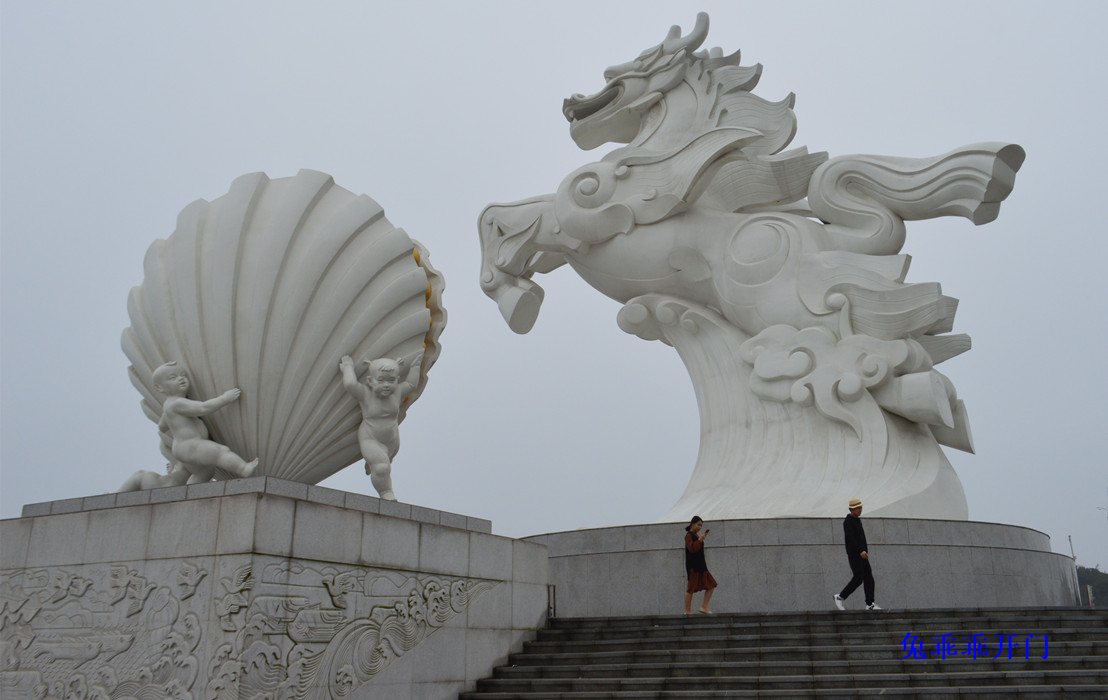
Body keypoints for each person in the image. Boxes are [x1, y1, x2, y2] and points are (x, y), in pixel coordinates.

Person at [153, 361, 259, 484]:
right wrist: (225, 398)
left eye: (182, 375)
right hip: (190, 445)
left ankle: (188, 493)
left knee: (204, 473)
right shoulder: (177, 403)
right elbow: (204, 408)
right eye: (173, 377)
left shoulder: (168, 405)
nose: (181, 379)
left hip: (181, 449)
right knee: (220, 452)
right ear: (159, 388)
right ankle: (243, 468)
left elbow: (162, 426)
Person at [339, 351, 422, 501]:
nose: (386, 385)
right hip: (371, 438)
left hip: (392, 440)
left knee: (384, 464)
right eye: (381, 380)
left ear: (397, 380)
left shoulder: (396, 392)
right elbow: (350, 384)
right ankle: (386, 492)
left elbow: (410, 384)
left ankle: (374, 464)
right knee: (382, 467)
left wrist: (415, 367)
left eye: (391, 381)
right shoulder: (365, 394)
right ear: (370, 381)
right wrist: (348, 367)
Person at [833, 497, 881, 611]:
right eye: (857, 508)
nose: (860, 510)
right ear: (851, 509)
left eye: (860, 507)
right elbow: (851, 539)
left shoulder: (856, 520)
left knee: (869, 578)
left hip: (862, 555)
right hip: (855, 555)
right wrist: (860, 551)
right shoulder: (848, 521)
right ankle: (840, 597)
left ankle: (870, 604)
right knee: (858, 578)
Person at [684, 515, 717, 614]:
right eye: (698, 525)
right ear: (692, 524)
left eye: (701, 525)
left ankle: (704, 606)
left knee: (711, 585)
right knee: (690, 589)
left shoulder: (696, 536)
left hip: (701, 566)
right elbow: (692, 549)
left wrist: (700, 539)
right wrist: (699, 540)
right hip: (693, 567)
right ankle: (688, 610)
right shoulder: (689, 536)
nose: (699, 527)